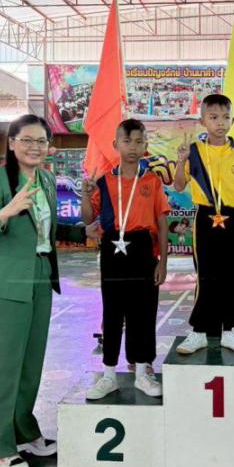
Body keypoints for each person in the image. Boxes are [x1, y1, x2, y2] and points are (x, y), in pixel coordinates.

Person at [0, 114, 60, 467]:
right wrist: (7, 211)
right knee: (4, 369)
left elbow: (45, 232)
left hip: (40, 279)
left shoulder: (47, 179)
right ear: (11, 143)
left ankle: (23, 431)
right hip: (6, 285)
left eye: (41, 141)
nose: (35, 147)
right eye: (27, 140)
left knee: (30, 365)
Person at [81, 119, 170, 399]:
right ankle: (109, 375)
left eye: (139, 142)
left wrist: (163, 261)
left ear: (146, 146)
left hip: (143, 250)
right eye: (127, 141)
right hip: (112, 250)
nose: (133, 147)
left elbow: (162, 223)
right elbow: (89, 218)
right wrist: (85, 196)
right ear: (115, 144)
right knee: (112, 313)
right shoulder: (104, 181)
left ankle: (142, 372)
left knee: (143, 313)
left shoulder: (152, 181)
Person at [174, 93, 234, 355]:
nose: (220, 122)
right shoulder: (195, 152)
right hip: (205, 216)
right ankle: (199, 331)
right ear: (203, 121)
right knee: (206, 274)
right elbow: (179, 185)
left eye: (225, 117)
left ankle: (231, 331)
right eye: (213, 117)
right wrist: (181, 161)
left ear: (233, 120)